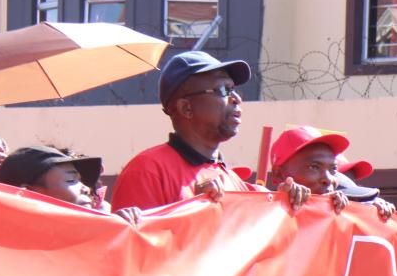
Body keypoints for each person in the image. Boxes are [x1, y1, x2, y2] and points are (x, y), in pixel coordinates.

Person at [110, 52, 297, 210]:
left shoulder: (232, 179)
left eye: (234, 90)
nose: (236, 99)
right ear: (186, 108)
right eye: (224, 90)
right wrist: (194, 211)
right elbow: (133, 249)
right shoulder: (147, 172)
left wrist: (289, 205)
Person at [0, 145, 140, 225]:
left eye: (82, 181)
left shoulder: (100, 235)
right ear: (29, 195)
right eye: (72, 180)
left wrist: (121, 229)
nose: (86, 189)